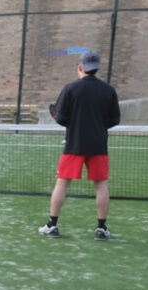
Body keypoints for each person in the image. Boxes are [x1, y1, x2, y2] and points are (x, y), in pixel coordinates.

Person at [39, 50, 120, 240]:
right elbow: (114, 119)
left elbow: (60, 118)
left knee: (62, 183)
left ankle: (52, 225)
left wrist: (74, 124)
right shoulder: (109, 90)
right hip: (99, 145)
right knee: (101, 185)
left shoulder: (70, 89)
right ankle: (101, 228)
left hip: (73, 145)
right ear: (97, 69)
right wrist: (99, 126)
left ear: (80, 67)